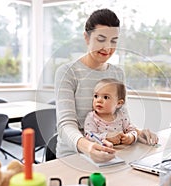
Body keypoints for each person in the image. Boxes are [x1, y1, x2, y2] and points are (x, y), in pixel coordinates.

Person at [55, 8, 158, 163]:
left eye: (113, 41)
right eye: (101, 39)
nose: (107, 48)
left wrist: (137, 133)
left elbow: (122, 116)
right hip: (74, 157)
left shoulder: (117, 73)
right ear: (87, 38)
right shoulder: (68, 72)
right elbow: (65, 125)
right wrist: (89, 147)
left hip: (114, 153)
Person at [84, 78, 137, 145]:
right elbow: (89, 135)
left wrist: (131, 137)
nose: (99, 100)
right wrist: (106, 137)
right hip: (102, 151)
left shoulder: (122, 116)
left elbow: (132, 130)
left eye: (105, 97)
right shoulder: (92, 117)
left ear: (119, 103)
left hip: (123, 151)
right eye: (96, 96)